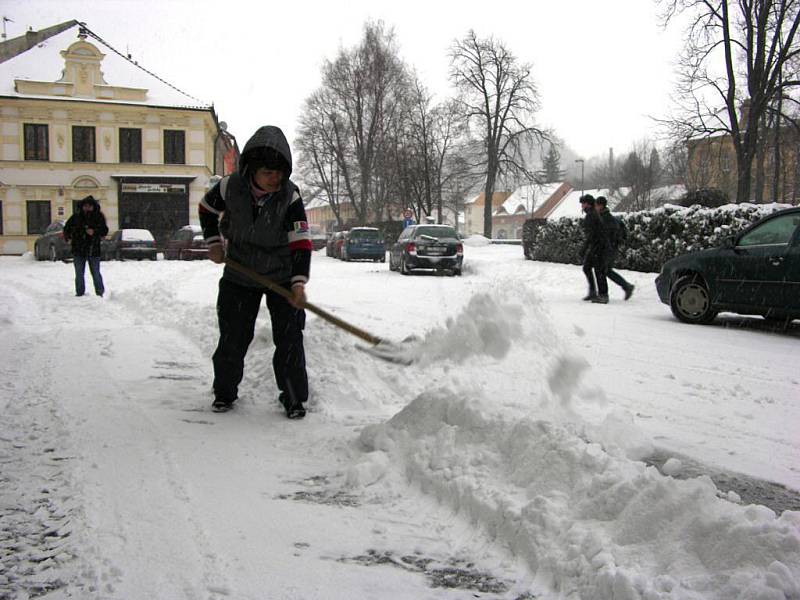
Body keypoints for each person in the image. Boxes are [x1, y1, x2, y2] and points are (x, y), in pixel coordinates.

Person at [199, 125, 312, 419]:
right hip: (240, 274)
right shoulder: (229, 187)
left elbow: (300, 242)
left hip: (281, 276)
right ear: (251, 169)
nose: (275, 178)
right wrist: (213, 242)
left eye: (279, 173)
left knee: (289, 341)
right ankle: (224, 393)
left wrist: (298, 283)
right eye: (268, 172)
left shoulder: (290, 196)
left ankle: (293, 398)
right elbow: (206, 209)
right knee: (233, 338)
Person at [64, 195, 108, 297]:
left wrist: (94, 232)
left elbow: (104, 230)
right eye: (85, 206)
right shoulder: (76, 216)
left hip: (93, 249)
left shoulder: (98, 216)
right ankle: (80, 292)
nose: (87, 208)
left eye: (89, 206)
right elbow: (67, 228)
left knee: (96, 273)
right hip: (78, 249)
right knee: (79, 274)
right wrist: (68, 238)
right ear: (82, 206)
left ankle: (99, 292)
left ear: (93, 207)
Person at [596, 196, 634, 300]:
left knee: (601, 270)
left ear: (601, 206)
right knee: (607, 270)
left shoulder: (606, 219)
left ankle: (603, 295)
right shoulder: (607, 217)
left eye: (596, 205)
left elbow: (606, 236)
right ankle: (627, 286)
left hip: (608, 249)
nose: (595, 207)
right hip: (611, 249)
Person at [579, 194, 610, 303]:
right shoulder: (592, 214)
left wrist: (584, 248)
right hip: (596, 246)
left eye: (583, 203)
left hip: (599, 246)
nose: (581, 206)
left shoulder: (592, 215)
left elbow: (592, 235)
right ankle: (593, 292)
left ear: (587, 204)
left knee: (599, 270)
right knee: (587, 267)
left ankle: (603, 295)